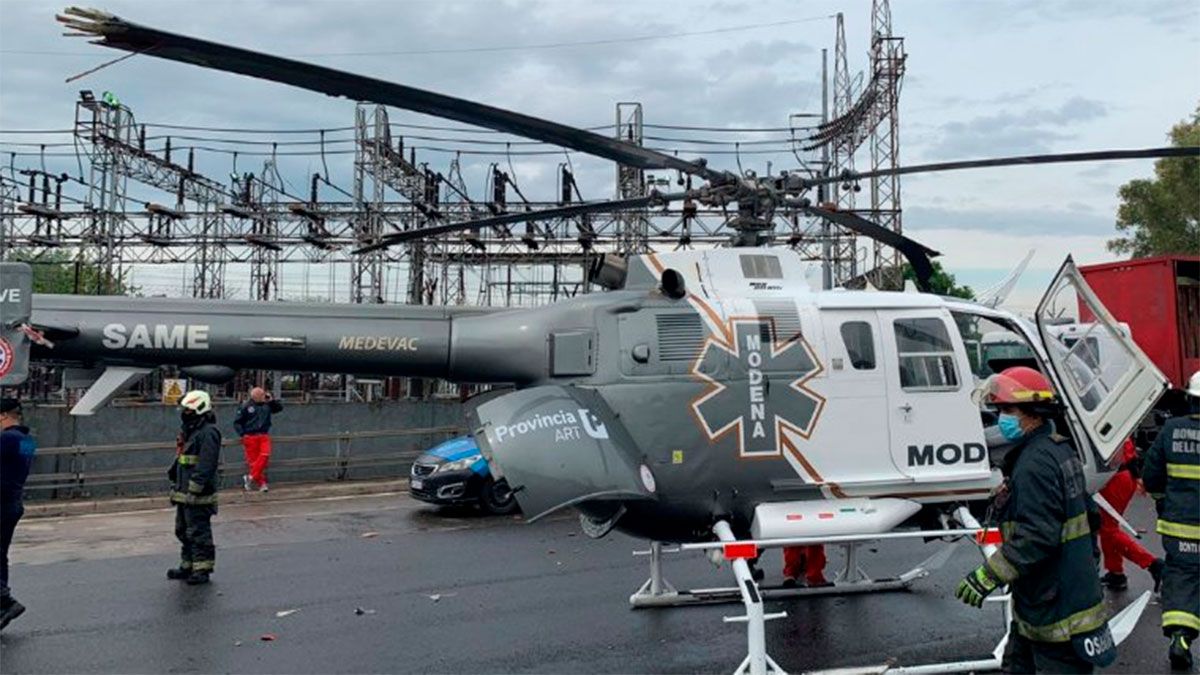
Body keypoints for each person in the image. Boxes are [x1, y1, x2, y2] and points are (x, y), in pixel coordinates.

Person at [956, 366, 1111, 673]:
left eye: (1009, 410)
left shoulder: (1035, 463)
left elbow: (1036, 536)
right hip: (1049, 598)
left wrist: (988, 575)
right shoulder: (1057, 450)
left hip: (1056, 613)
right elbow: (1087, 516)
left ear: (1034, 412)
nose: (1003, 418)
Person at [1142, 370, 1200, 671]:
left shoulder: (1171, 430)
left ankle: (1180, 637)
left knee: (1181, 578)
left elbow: (1151, 474)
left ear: (1190, 400)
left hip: (1180, 530)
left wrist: (1161, 500)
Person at [168, 390, 222, 585]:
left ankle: (202, 569)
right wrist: (176, 486)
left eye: (188, 409)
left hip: (199, 494)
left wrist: (195, 487)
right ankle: (188, 565)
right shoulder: (191, 430)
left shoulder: (208, 433)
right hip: (184, 492)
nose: (185, 412)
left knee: (198, 531)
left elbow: (206, 464)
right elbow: (182, 461)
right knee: (182, 530)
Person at [1098, 437, 1164, 591]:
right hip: (1123, 477)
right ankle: (1115, 573)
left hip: (1114, 479)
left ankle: (1153, 564)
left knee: (1109, 530)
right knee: (1108, 528)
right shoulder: (1114, 423)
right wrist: (1137, 476)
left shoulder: (1103, 424)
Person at [1, 397, 36, 631]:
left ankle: (6, 600)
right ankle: (4, 602)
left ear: (3, 416)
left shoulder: (7, 438)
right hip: (13, 502)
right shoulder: (27, 440)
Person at [234, 386, 283, 492]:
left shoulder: (267, 405)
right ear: (255, 396)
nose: (263, 396)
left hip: (263, 434)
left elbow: (279, 408)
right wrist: (243, 435)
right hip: (250, 436)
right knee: (254, 461)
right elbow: (237, 422)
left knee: (265, 455)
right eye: (261, 395)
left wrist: (272, 401)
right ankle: (262, 483)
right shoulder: (246, 406)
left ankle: (250, 477)